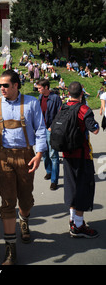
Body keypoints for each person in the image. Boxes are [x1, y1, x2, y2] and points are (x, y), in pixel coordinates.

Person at [0, 70, 46, 265]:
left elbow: (41, 129)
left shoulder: (32, 103)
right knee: (8, 201)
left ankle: (24, 219)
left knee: (26, 199)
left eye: (6, 85)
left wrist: (39, 154)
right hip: (2, 157)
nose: (2, 88)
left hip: (26, 156)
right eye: (1, 85)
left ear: (16, 85)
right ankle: (10, 249)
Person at [63, 82, 100, 238]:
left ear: (68, 93)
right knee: (83, 188)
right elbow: (95, 129)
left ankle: (73, 220)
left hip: (66, 155)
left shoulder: (63, 108)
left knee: (71, 186)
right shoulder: (84, 110)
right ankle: (78, 226)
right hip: (82, 155)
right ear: (82, 94)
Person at [37, 79, 62, 190]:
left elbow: (60, 114)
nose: (38, 89)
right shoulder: (40, 97)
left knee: (53, 155)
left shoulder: (55, 98)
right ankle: (49, 171)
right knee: (44, 153)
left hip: (50, 129)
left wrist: (53, 126)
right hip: (41, 129)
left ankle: (54, 180)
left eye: (40, 88)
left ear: (46, 87)